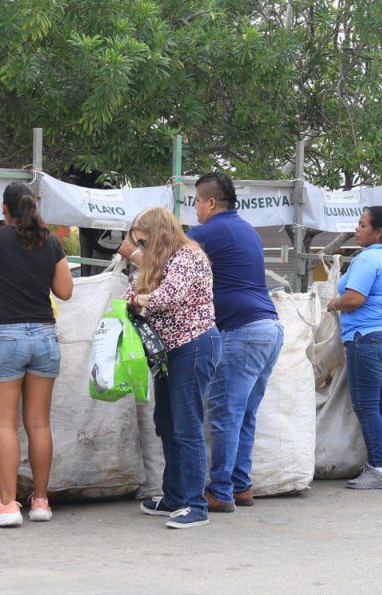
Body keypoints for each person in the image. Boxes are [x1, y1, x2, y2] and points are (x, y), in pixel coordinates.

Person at [0, 182, 74, 527]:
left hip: (5, 336)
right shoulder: (51, 241)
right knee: (39, 423)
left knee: (5, 425)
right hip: (44, 336)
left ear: (4, 209)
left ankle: (8, 504)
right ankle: (40, 501)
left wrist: (0, 273)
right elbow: (66, 291)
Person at [181, 173, 284, 512]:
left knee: (225, 414)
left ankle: (220, 492)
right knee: (244, 414)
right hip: (269, 328)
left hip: (242, 330)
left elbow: (175, 266)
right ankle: (240, 485)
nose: (194, 208)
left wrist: (136, 252)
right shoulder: (244, 229)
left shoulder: (209, 231)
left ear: (211, 202)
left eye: (196, 201)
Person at [122, 206, 221, 529]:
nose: (140, 247)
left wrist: (139, 300)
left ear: (158, 235)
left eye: (143, 240)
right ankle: (175, 496)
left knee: (187, 426)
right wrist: (137, 297)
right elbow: (133, 289)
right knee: (165, 422)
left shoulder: (188, 256)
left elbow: (169, 297)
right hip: (169, 351)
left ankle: (196, 505)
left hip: (192, 346)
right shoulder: (162, 260)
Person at [325, 206, 382, 490]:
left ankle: (377, 469)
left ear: (378, 231)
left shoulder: (366, 260)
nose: (357, 229)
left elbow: (354, 299)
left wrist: (333, 304)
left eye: (362, 225)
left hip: (367, 340)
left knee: (367, 406)